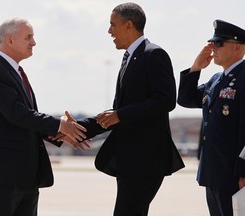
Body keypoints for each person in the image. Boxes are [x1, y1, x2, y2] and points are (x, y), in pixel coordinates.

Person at [64, 3, 184, 215]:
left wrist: (119, 115)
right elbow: (117, 113)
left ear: (129, 25)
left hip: (146, 160)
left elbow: (165, 101)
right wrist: (75, 128)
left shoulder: (153, 54)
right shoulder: (130, 58)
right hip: (132, 161)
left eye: (112, 25)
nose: (109, 31)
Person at [0, 18, 90, 216]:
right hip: (0, 176)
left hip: (24, 177)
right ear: (9, 40)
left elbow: (25, 121)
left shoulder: (15, 72)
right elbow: (18, 114)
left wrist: (59, 134)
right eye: (28, 37)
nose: (34, 42)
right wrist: (60, 126)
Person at [177, 19, 245, 216]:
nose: (213, 49)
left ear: (237, 48)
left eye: (219, 44)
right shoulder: (216, 80)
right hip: (214, 171)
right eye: (213, 44)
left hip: (234, 173)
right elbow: (186, 99)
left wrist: (243, 172)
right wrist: (196, 67)